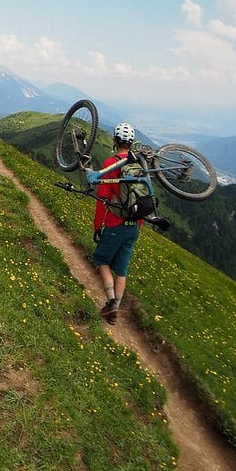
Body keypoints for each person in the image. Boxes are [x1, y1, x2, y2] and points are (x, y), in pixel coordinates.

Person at [92, 122, 140, 324]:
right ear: (132, 143)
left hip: (115, 223)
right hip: (135, 226)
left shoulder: (111, 163)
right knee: (122, 269)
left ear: (115, 140)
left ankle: (111, 303)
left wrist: (97, 226)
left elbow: (103, 199)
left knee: (101, 261)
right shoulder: (139, 165)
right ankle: (116, 309)